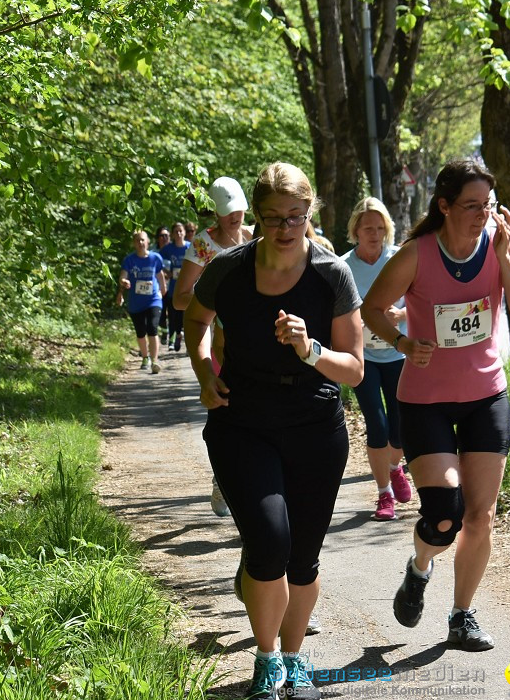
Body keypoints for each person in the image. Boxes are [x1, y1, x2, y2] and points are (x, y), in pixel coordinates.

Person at [184, 162, 363, 699]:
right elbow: (195, 321)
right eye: (273, 218)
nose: (286, 228)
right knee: (269, 542)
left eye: (296, 216)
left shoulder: (331, 274)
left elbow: (353, 367)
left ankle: (295, 658)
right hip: (243, 420)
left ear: (310, 214)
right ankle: (266, 662)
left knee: (302, 556)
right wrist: (203, 372)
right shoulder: (231, 270)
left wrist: (310, 350)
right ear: (255, 218)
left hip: (314, 424)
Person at [360, 159, 510, 652]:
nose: (483, 214)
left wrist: (505, 257)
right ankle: (420, 568)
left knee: (480, 516)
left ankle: (462, 615)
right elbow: (370, 309)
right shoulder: (416, 254)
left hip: (486, 397)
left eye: (488, 204)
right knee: (444, 514)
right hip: (425, 402)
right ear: (444, 206)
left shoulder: (499, 245)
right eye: (471, 206)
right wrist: (400, 342)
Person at [174, 176, 254, 518]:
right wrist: (219, 297)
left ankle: (249, 480)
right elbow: (179, 298)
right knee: (224, 413)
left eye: (239, 210)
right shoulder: (203, 245)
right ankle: (223, 478)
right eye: (228, 212)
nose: (235, 217)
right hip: (215, 338)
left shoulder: (255, 236)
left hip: (253, 336)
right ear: (216, 214)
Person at [341, 197, 413, 521]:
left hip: (398, 352)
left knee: (399, 428)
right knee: (377, 425)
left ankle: (396, 467)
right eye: (367, 227)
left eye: (380, 227)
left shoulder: (399, 258)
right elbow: (337, 312)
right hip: (364, 357)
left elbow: (424, 300)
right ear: (355, 230)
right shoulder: (344, 266)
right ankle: (384, 495)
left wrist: (401, 313)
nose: (374, 233)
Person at [118, 230, 168, 374]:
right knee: (140, 332)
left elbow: (159, 274)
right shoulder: (129, 260)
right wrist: (124, 281)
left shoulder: (155, 258)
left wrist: (163, 289)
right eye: (137, 240)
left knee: (152, 328)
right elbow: (123, 275)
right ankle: (145, 357)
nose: (140, 243)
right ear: (134, 243)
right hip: (136, 302)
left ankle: (154, 361)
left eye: (142, 240)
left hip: (153, 299)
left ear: (147, 242)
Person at [158, 222, 190, 350]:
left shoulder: (190, 247)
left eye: (180, 231)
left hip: (188, 287)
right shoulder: (168, 249)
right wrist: (167, 272)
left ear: (184, 233)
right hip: (174, 287)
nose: (178, 233)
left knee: (186, 316)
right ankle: (173, 338)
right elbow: (157, 262)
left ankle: (187, 342)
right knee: (172, 315)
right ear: (173, 234)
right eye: (176, 231)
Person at [154, 226, 172, 344]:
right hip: (158, 288)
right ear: (157, 238)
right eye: (162, 236)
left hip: (173, 287)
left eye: (166, 235)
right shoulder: (153, 253)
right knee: (161, 313)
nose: (164, 238)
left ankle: (173, 334)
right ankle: (165, 332)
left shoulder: (174, 250)